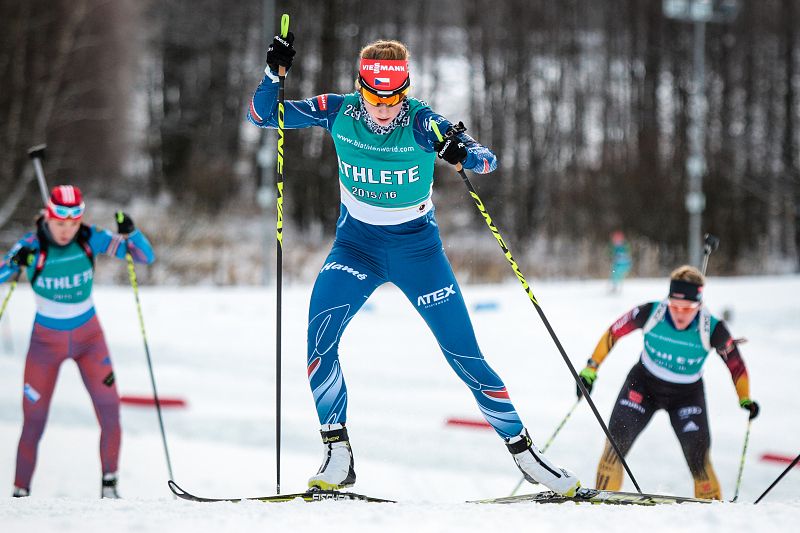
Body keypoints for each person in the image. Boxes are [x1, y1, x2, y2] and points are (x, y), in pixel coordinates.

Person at [247, 35, 580, 496]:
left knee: (466, 357)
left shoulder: (423, 121)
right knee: (319, 342)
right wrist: (272, 75)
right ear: (360, 88)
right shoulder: (337, 109)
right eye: (374, 97)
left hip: (418, 253)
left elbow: (486, 159)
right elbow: (264, 116)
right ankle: (337, 455)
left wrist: (461, 152)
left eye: (394, 98)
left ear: (405, 92)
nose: (384, 110)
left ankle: (527, 458)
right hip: (355, 249)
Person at [0, 185, 155, 498]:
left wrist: (132, 234)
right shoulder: (32, 246)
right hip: (45, 345)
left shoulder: (89, 237)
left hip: (89, 340)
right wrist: (13, 261)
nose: (66, 231)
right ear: (48, 216)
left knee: (110, 411)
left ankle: (109, 486)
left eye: (72, 223)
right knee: (34, 421)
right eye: (60, 224)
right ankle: (21, 492)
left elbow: (143, 256)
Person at [577, 265, 759, 499]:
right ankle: (600, 511)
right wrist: (591, 368)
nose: (679, 313)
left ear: (699, 305)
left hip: (686, 395)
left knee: (699, 460)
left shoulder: (712, 328)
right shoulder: (651, 312)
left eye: (688, 308)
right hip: (643, 385)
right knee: (614, 446)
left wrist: (744, 398)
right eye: (674, 306)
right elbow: (614, 332)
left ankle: (716, 520)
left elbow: (736, 366)